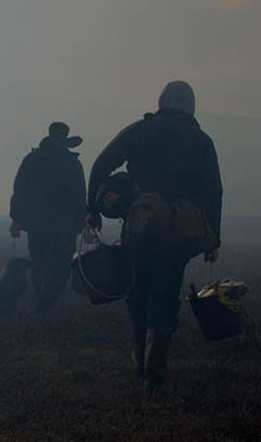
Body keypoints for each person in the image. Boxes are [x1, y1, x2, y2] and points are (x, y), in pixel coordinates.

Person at [87, 81, 222, 395]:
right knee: (165, 295)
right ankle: (154, 377)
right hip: (178, 234)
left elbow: (101, 165)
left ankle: (140, 365)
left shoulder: (140, 130)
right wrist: (212, 239)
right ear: (191, 106)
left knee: (137, 293)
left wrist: (92, 208)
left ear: (162, 102)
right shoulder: (202, 141)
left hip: (139, 227)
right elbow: (214, 193)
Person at [9, 122, 88, 312]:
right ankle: (45, 303)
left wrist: (16, 219)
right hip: (64, 226)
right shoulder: (72, 164)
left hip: (38, 224)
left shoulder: (32, 159)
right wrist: (82, 222)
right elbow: (80, 196)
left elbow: (20, 191)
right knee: (60, 267)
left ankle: (42, 301)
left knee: (39, 264)